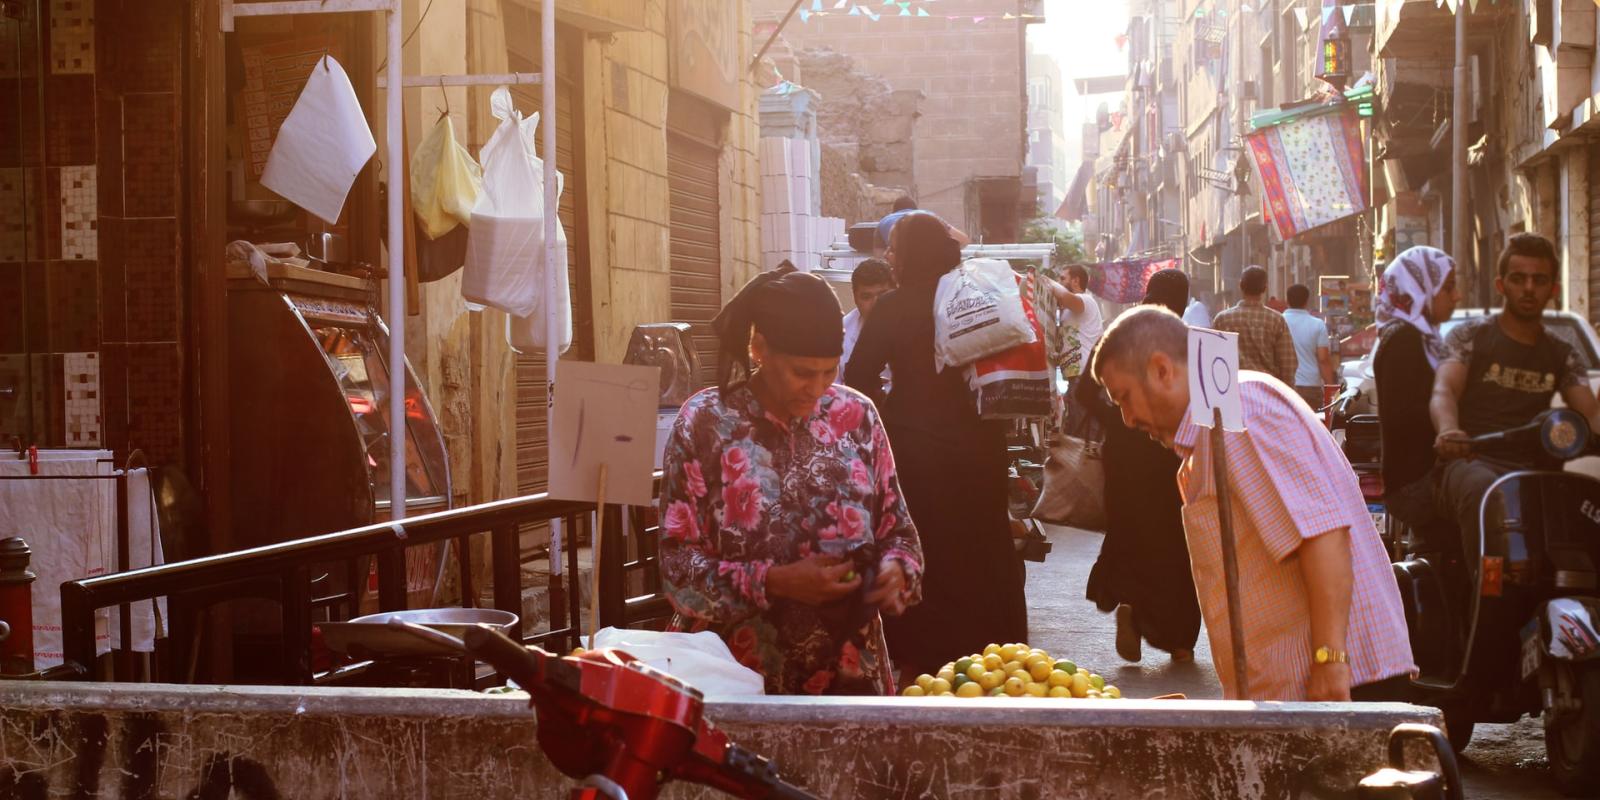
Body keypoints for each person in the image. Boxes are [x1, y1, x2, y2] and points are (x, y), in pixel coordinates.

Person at [1090, 306, 1414, 701]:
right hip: (1297, 691)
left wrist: (1330, 661)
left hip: (1340, 687)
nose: (1126, 419)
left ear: (1162, 369)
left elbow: (1324, 535)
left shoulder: (1241, 413)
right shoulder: (1213, 431)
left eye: (1124, 398)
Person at [658, 269, 925, 695]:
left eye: (828, 372)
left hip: (849, 680)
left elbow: (900, 533)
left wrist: (898, 570)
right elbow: (677, 571)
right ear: (759, 348)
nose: (817, 389)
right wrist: (775, 581)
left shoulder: (857, 416)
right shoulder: (705, 423)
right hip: (733, 680)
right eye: (802, 372)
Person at [845, 211, 1027, 676]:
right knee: (981, 540)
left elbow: (859, 376)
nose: (888, 256)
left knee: (928, 546)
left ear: (910, 254)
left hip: (917, 448)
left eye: (894, 248)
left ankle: (927, 656)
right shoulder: (974, 296)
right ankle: (993, 651)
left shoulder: (893, 306)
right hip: (981, 443)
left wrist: (895, 410)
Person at [1431, 233, 1600, 543]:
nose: (1528, 288)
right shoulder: (1471, 337)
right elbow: (1445, 390)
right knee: (1481, 491)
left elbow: (1590, 415)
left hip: (1536, 469)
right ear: (1501, 285)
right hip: (1471, 462)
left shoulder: (1562, 353)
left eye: (1539, 280)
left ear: (1553, 289)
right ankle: (1485, 591)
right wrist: (1449, 430)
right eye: (1518, 279)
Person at [1077, 268, 1200, 664]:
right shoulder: (1186, 342)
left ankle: (1129, 601)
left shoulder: (1119, 333)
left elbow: (1084, 390)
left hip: (1125, 460)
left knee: (1130, 531)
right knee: (1178, 542)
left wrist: (1117, 414)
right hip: (1173, 456)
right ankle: (1180, 640)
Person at [1371, 247, 1458, 530]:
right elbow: (1403, 415)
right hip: (1417, 480)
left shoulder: (1422, 336)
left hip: (1426, 473)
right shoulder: (1404, 339)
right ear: (1421, 288)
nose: (1456, 296)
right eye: (1448, 288)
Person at [1211, 266, 1298, 385]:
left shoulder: (1222, 320)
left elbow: (1213, 361)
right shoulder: (1276, 320)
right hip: (1268, 391)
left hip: (1233, 390)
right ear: (1265, 288)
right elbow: (1288, 364)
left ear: (1240, 285)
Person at [839, 258, 894, 385]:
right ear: (855, 298)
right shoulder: (840, 332)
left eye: (883, 295)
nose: (876, 304)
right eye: (866, 297)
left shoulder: (915, 328)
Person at [1283, 283, 1336, 409]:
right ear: (1306, 301)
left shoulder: (1278, 321)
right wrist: (1331, 388)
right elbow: (1323, 359)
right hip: (1311, 386)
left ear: (1287, 300)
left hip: (1285, 386)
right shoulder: (1317, 325)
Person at [874, 195, 971, 256]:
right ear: (916, 209)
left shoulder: (884, 222)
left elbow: (879, 256)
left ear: (894, 211)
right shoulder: (929, 216)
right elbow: (963, 240)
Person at [1056, 264, 1104, 384]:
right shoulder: (1068, 310)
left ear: (1075, 281)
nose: (1059, 282)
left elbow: (1062, 296)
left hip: (1084, 374)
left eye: (1062, 279)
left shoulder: (1085, 299)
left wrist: (1046, 282)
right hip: (1077, 375)